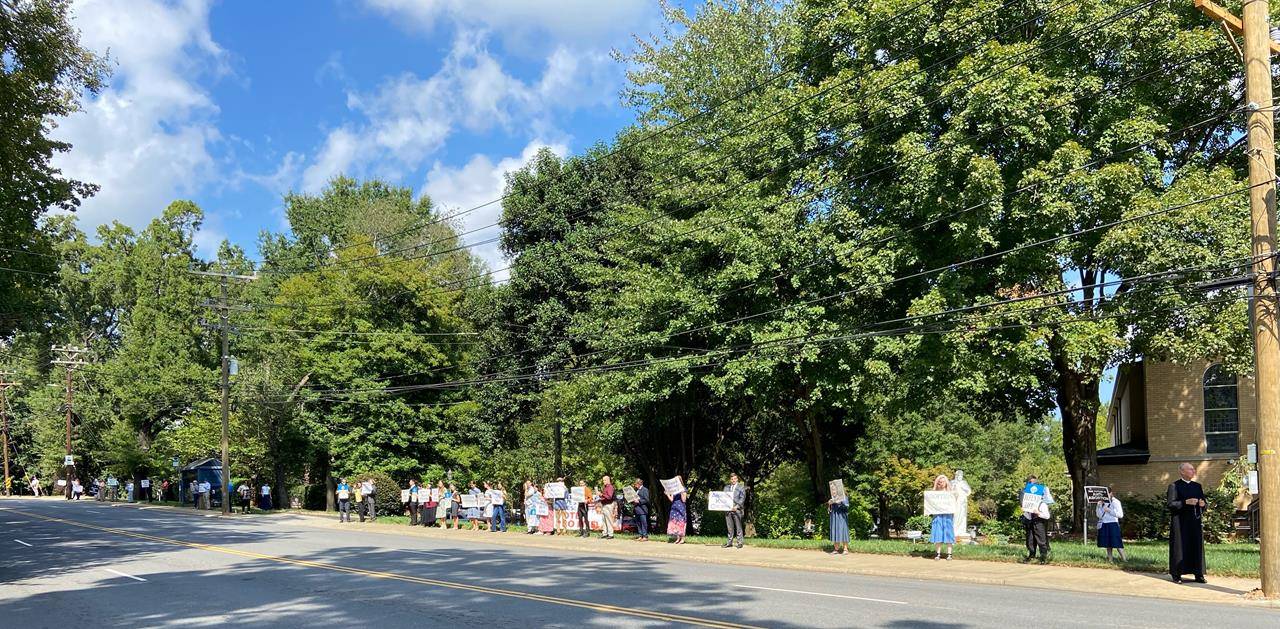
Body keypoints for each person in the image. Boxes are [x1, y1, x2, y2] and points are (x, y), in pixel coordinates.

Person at [1168, 463, 1207, 583]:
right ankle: (1177, 574)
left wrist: (1203, 504)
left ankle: (1198, 574)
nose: (1193, 471)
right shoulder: (1174, 486)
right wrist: (1185, 502)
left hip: (1194, 521)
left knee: (1196, 546)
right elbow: (1171, 504)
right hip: (1180, 522)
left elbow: (1204, 501)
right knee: (1179, 547)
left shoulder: (1197, 486)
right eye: (1190, 469)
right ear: (1182, 472)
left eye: (1193, 469)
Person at [1018, 474, 1053, 564]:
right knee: (1030, 539)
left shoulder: (1042, 503)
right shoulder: (1026, 498)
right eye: (1030, 483)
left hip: (1039, 521)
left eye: (1035, 483)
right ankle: (1031, 554)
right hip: (1031, 521)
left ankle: (1043, 556)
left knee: (1041, 539)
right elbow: (1027, 514)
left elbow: (1047, 516)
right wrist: (1025, 511)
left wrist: (1038, 513)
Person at [1096, 486, 1126, 562]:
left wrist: (1109, 510)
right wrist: (1099, 507)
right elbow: (1099, 515)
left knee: (1117, 542)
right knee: (1108, 543)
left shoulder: (1116, 502)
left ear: (1110, 493)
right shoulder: (1101, 502)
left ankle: (1124, 559)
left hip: (1113, 524)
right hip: (1104, 524)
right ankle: (1110, 559)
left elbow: (1120, 515)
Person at [929, 475, 955, 561]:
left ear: (946, 482)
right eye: (939, 481)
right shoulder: (934, 493)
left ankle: (949, 554)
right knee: (938, 533)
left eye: (943, 481)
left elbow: (955, 502)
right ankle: (938, 554)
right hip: (937, 515)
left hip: (948, 515)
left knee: (948, 533)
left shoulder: (951, 492)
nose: (941, 483)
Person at [723, 473, 746, 549]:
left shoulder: (741, 487)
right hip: (728, 510)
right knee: (729, 527)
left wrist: (737, 506)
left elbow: (742, 498)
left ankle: (740, 543)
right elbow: (722, 497)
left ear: (737, 479)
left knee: (738, 527)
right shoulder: (726, 487)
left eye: (735, 479)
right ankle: (729, 542)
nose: (733, 480)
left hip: (737, 509)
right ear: (730, 480)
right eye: (732, 479)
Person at [828, 487, 850, 555]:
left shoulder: (844, 497)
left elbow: (846, 506)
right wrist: (830, 504)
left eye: (835, 489)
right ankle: (836, 549)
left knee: (843, 531)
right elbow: (829, 510)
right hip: (834, 517)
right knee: (835, 531)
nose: (834, 491)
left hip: (842, 517)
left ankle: (845, 549)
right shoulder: (833, 498)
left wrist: (840, 502)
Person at [666, 478, 687, 544]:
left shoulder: (683, 489)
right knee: (675, 523)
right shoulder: (673, 490)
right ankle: (678, 538)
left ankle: (682, 538)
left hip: (681, 508)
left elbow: (684, 500)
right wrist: (667, 494)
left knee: (681, 523)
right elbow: (672, 499)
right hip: (674, 508)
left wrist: (681, 492)